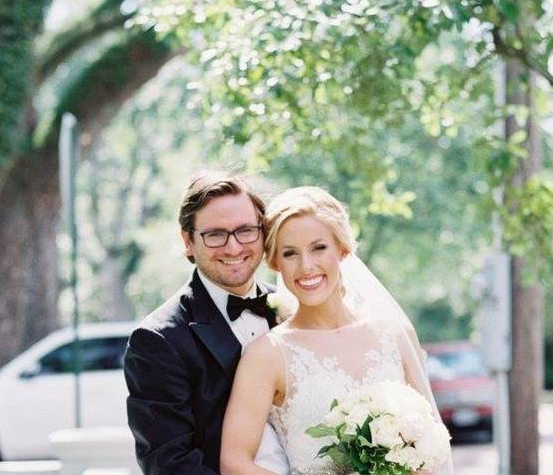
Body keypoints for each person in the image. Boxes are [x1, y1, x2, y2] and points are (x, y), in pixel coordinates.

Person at [219, 186, 452, 475]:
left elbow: (431, 443)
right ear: (275, 262)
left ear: (342, 249)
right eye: (290, 253)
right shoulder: (266, 355)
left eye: (319, 248)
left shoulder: (392, 333)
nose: (306, 266)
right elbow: (234, 462)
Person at [123, 171, 289, 475]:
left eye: (245, 230)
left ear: (263, 232)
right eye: (215, 234)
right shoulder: (157, 341)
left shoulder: (292, 309)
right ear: (188, 241)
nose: (234, 248)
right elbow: (169, 464)